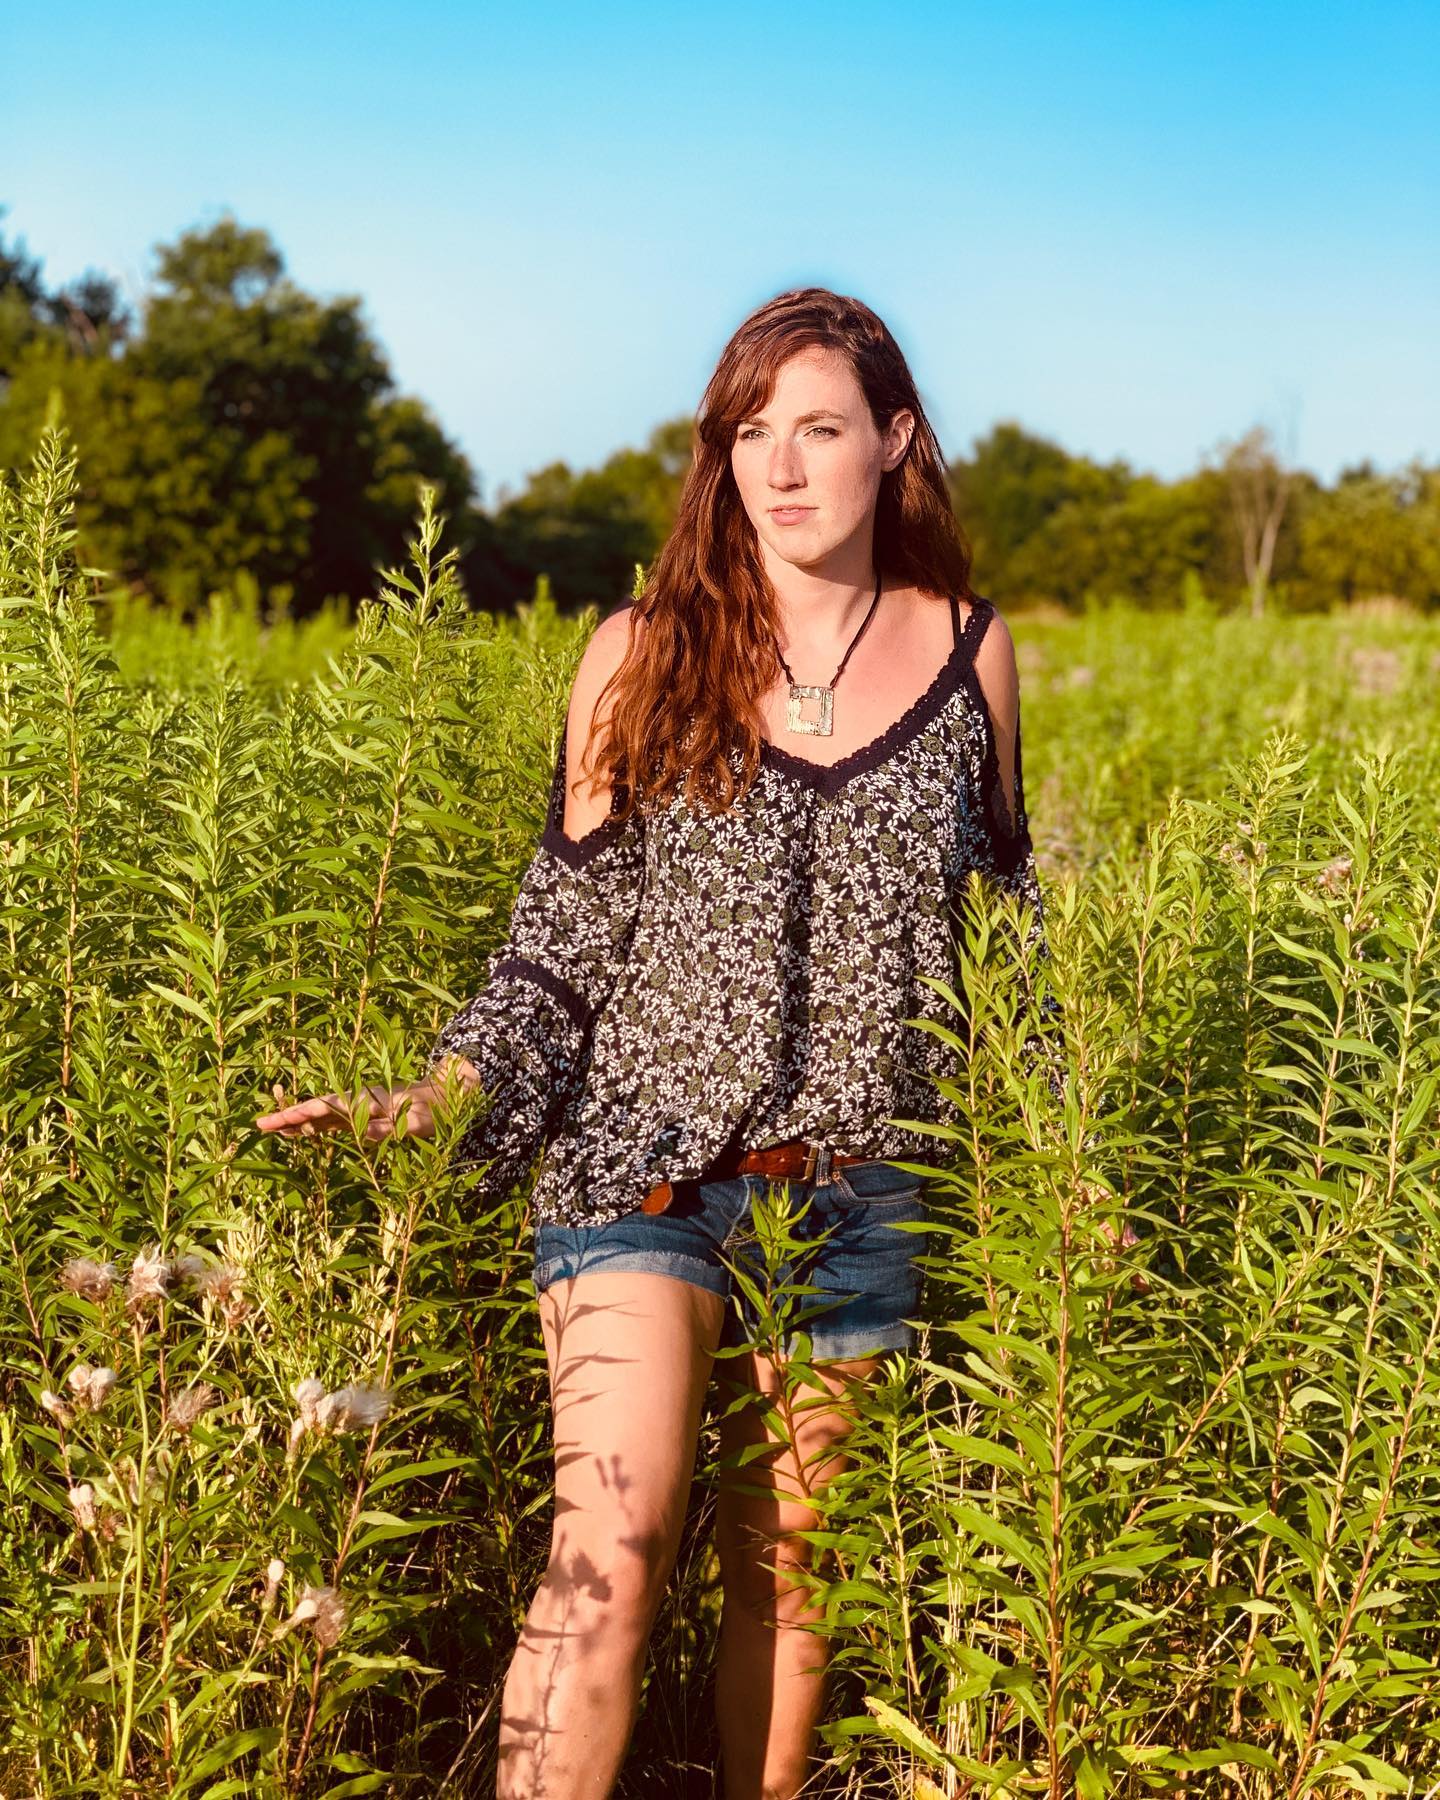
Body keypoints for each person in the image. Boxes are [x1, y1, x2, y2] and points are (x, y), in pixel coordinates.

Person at [255, 287, 1050, 1800]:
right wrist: (444, 1093)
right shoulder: (641, 652)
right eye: (750, 434)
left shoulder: (970, 655)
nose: (782, 468)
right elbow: (559, 941)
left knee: (791, 1585)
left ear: (896, 440)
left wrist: (1064, 1165)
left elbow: (1006, 941)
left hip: (859, 1188)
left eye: (820, 429)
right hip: (640, 1169)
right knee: (606, 1557)